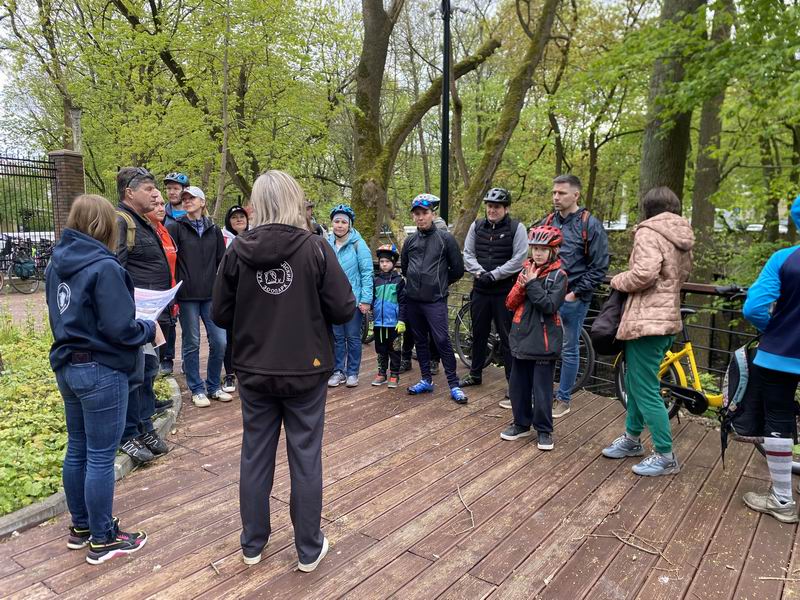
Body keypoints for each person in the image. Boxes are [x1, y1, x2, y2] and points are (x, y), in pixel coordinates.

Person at [212, 170, 355, 572]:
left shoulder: (238, 251)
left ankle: (252, 544)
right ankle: (309, 549)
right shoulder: (316, 249)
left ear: (257, 204)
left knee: (255, 455)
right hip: (306, 370)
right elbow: (344, 308)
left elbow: (220, 313)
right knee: (305, 456)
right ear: (296, 201)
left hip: (254, 370)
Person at [47, 194, 155, 564]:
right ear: (106, 224)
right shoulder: (104, 267)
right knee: (99, 455)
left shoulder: (56, 264)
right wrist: (148, 327)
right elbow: (119, 328)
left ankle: (80, 527)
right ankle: (103, 537)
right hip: (100, 370)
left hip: (68, 366)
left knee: (77, 447)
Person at [601, 186, 694, 477]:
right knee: (636, 380)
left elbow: (644, 273)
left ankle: (665, 455)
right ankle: (631, 439)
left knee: (645, 388)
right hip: (665, 318)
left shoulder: (648, 232)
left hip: (646, 321)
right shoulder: (682, 236)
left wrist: (618, 279)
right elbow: (683, 276)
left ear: (647, 209)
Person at [740, 195, 800, 523]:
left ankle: (781, 499)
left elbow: (753, 308)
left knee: (778, 421)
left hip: (781, 353)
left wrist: (773, 329)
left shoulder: (784, 259)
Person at [536, 174, 609, 418]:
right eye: (554, 192)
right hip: (547, 297)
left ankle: (563, 398)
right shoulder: (547, 221)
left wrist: (576, 293)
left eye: (562, 193)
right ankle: (539, 394)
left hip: (572, 299)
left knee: (569, 349)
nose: (556, 197)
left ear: (576, 195)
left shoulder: (590, 224)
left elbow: (599, 266)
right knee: (542, 347)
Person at [115, 167, 171, 464]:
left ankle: (144, 426)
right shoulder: (122, 222)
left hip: (151, 315)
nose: (155, 193)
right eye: (148, 188)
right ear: (129, 193)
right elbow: (114, 270)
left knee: (148, 371)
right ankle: (128, 435)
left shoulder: (143, 222)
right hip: (135, 315)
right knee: (134, 375)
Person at [501, 225, 568, 450]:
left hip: (544, 340)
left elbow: (549, 305)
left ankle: (544, 430)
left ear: (553, 251)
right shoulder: (525, 270)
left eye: (543, 249)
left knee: (542, 389)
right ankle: (521, 423)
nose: (537, 253)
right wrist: (523, 284)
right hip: (521, 336)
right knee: (518, 385)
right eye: (535, 248)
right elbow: (510, 303)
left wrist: (531, 284)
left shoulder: (559, 275)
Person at [401, 193, 467, 403]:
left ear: (433, 214)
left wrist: (439, 283)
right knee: (420, 340)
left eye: (425, 213)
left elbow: (457, 269)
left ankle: (454, 385)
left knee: (442, 340)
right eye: (417, 214)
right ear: (413, 217)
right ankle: (426, 379)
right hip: (413, 299)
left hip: (435, 300)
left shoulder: (445, 238)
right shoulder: (410, 241)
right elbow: (404, 267)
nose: (421, 217)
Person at [461, 187, 528, 397]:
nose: (492, 210)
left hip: (504, 292)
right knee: (478, 333)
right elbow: (468, 254)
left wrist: (496, 274)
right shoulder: (477, 226)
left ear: (506, 208)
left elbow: (519, 258)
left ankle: (513, 383)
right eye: (490, 206)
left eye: (497, 207)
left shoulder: (517, 228)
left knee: (508, 338)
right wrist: (481, 272)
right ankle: (475, 373)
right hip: (480, 289)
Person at [167, 185, 229, 407]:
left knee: (220, 341)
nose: (186, 201)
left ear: (202, 202)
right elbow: (171, 262)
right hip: (187, 296)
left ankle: (213, 386)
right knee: (192, 341)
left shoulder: (214, 230)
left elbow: (222, 263)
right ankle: (196, 388)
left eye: (191, 198)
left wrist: (222, 291)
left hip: (211, 295)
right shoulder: (176, 227)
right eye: (184, 198)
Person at [325, 204, 373, 388]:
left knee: (352, 337)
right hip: (333, 300)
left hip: (353, 300)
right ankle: (338, 371)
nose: (339, 225)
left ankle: (352, 372)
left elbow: (367, 273)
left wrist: (366, 300)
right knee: (337, 338)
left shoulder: (358, 244)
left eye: (344, 222)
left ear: (350, 225)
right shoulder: (326, 244)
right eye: (336, 221)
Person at [145, 191, 177, 414]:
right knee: (149, 354)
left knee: (157, 349)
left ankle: (151, 397)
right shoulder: (143, 232)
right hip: (150, 300)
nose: (160, 207)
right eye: (154, 203)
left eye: (162, 203)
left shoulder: (165, 231)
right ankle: (147, 402)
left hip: (167, 297)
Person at [221, 204, 249, 393]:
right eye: (234, 217)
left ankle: (247, 369)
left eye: (242, 216)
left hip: (250, 294)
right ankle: (230, 373)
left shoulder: (256, 236)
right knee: (229, 336)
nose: (239, 220)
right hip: (231, 292)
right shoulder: (222, 238)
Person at [371, 244, 406, 388]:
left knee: (395, 349)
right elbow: (372, 299)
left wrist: (402, 320)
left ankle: (394, 374)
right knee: (380, 350)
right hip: (379, 323)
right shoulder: (376, 280)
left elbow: (404, 303)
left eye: (387, 262)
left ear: (393, 263)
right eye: (382, 262)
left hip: (394, 324)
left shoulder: (399, 281)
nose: (384, 264)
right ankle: (381, 373)